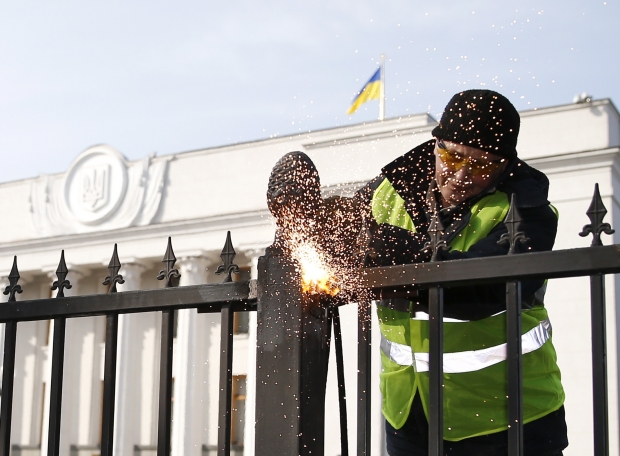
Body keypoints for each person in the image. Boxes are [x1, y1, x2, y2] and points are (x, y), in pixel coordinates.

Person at [356, 90, 568, 455]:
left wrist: (396, 251)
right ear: (436, 143)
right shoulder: (387, 192)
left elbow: (480, 291)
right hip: (408, 411)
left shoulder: (528, 211)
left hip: (511, 414)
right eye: (452, 157)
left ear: (504, 166)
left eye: (482, 165)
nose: (461, 175)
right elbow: (336, 237)